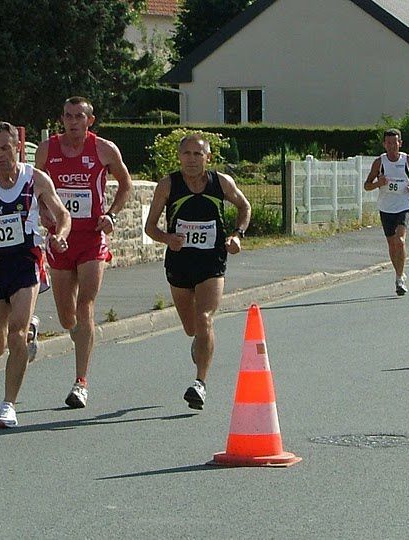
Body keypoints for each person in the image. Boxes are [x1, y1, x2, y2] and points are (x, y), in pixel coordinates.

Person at [0, 121, 71, 428]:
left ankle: (8, 405)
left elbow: (62, 215)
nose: (0, 155)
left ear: (18, 146)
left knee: (15, 333)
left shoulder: (36, 179)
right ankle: (30, 328)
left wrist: (59, 236)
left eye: (5, 148)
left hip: (26, 259)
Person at [35, 96, 132, 409]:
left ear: (90, 120)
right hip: (59, 238)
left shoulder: (103, 149)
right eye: (67, 116)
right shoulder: (47, 149)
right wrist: (44, 212)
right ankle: (66, 333)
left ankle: (81, 382)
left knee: (85, 305)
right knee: (66, 317)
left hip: (91, 238)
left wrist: (111, 215)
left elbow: (125, 183)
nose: (73, 121)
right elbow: (33, 187)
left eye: (79, 116)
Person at [144, 132, 251, 410]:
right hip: (179, 263)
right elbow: (150, 227)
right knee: (191, 327)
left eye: (197, 154)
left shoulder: (221, 183)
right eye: (186, 154)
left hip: (211, 261)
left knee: (204, 318)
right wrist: (168, 239)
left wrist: (237, 235)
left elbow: (244, 206)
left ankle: (199, 383)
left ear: (208, 158)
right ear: (179, 157)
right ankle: (199, 344)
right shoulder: (168, 185)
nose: (191, 160)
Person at [364, 128, 409, 296]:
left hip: (404, 203)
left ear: (399, 143)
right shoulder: (379, 162)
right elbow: (367, 185)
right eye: (388, 143)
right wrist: (378, 183)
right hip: (386, 206)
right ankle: (399, 273)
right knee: (391, 243)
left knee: (400, 240)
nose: (391, 146)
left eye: (394, 143)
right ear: (384, 144)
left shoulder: (407, 159)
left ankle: (399, 279)